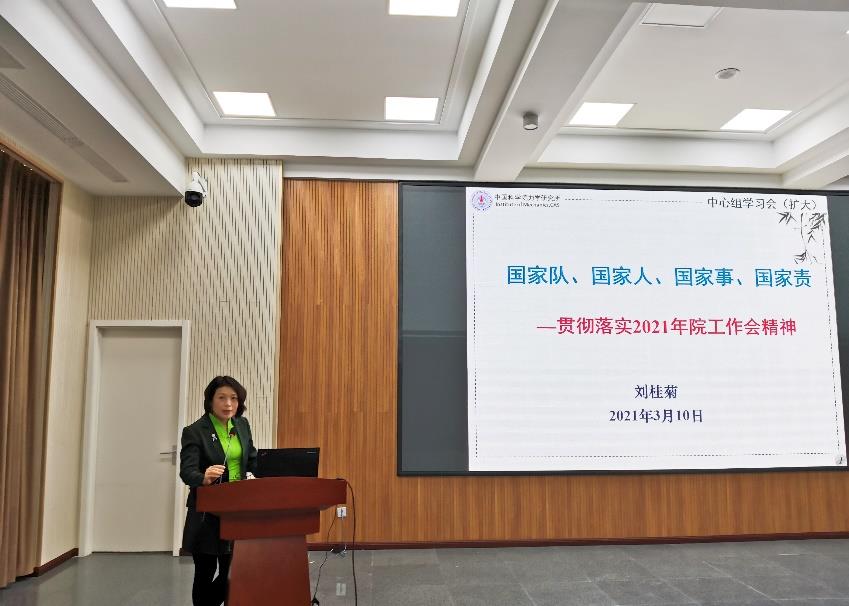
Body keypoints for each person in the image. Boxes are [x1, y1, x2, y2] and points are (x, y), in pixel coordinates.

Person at [179, 376, 258, 606]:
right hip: (207, 513)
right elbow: (187, 472)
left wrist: (254, 476)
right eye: (222, 398)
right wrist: (203, 477)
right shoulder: (195, 431)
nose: (228, 404)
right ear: (210, 401)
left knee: (231, 572)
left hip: (237, 510)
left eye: (233, 398)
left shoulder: (241, 425)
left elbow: (252, 459)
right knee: (205, 572)